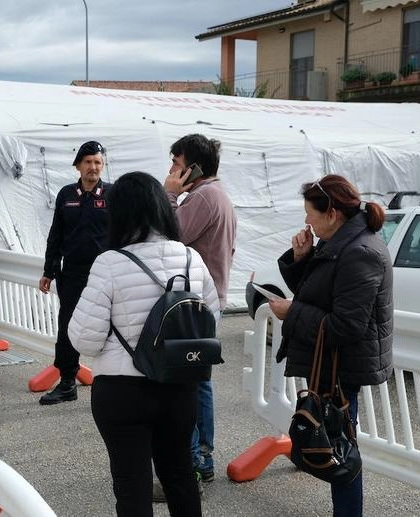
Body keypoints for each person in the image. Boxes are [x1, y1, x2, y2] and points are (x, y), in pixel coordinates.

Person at [69, 171, 218, 517]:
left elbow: (85, 339)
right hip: (179, 386)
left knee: (131, 485)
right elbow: (209, 318)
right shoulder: (189, 258)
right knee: (180, 475)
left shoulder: (109, 263)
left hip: (122, 392)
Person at [267, 174, 393, 517]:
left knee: (341, 448)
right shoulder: (340, 242)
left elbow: (346, 326)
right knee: (335, 441)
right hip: (333, 362)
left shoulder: (360, 251)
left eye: (310, 213)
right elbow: (320, 294)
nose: (307, 221)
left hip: (343, 365)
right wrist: (302, 258)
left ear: (332, 212)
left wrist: (292, 313)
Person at [163, 133, 236, 485]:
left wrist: (169, 193)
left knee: (187, 382)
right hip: (209, 300)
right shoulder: (217, 194)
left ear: (194, 167)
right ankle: (202, 454)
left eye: (177, 164)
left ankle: (195, 460)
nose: (172, 170)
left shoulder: (204, 197)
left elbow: (169, 233)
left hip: (196, 303)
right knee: (199, 380)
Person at [38, 140, 111, 405]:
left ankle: (113, 383)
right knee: (68, 327)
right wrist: (49, 269)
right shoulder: (66, 194)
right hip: (73, 274)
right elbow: (55, 234)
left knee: (112, 328)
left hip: (105, 275)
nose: (93, 167)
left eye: (98, 162)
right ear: (78, 165)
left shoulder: (112, 194)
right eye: (88, 162)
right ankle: (68, 382)